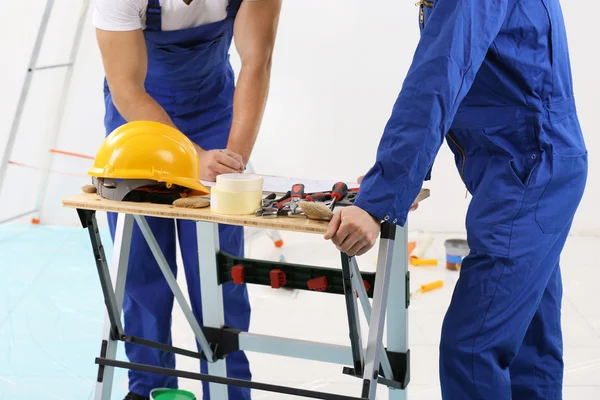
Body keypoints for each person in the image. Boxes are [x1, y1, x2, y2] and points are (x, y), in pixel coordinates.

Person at [324, 0, 588, 398]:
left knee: (472, 347)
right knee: (528, 348)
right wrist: (399, 181)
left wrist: (382, 195)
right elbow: (459, 80)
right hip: (531, 169)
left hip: (528, 174)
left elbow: (437, 82)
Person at [93, 0, 281, 399]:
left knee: (218, 275)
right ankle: (148, 390)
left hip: (216, 117)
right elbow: (127, 88)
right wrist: (193, 157)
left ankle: (228, 390)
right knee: (142, 273)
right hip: (140, 129)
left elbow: (256, 62)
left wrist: (234, 160)